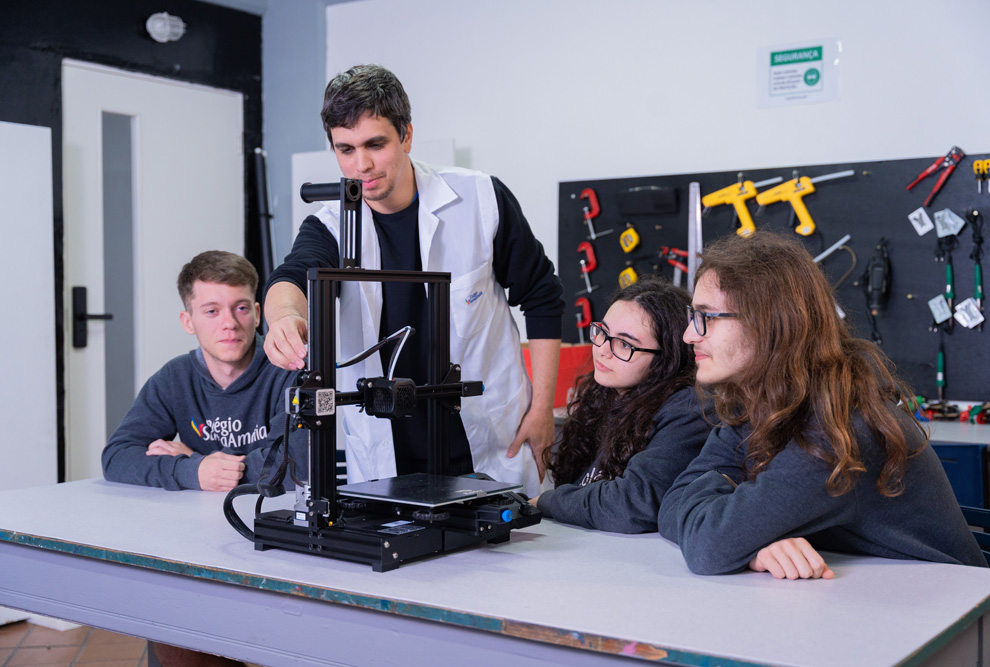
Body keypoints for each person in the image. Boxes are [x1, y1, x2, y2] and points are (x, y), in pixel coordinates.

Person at [263, 64, 564, 496]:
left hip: (492, 437)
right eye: (345, 149)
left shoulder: (479, 199)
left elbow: (542, 298)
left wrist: (542, 410)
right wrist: (285, 319)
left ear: (406, 135)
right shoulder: (330, 224)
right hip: (387, 454)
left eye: (375, 144)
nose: (361, 165)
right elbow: (291, 277)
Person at [658, 231, 985, 579]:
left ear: (769, 323)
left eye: (706, 317)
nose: (689, 335)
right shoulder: (760, 401)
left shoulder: (838, 427)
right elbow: (672, 507)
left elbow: (709, 546)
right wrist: (752, 543)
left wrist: (734, 531)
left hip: (950, 617)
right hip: (862, 602)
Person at [102, 251, 298, 493]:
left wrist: (199, 461)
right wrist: (193, 470)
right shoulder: (174, 378)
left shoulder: (290, 370)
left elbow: (296, 468)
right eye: (212, 311)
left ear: (257, 314)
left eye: (241, 308)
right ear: (188, 322)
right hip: (195, 517)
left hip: (271, 516)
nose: (229, 323)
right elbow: (116, 457)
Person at [530, 278, 712, 533]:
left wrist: (548, 502)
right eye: (602, 333)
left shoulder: (688, 410)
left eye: (624, 344)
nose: (603, 349)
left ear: (667, 359)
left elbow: (633, 504)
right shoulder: (607, 394)